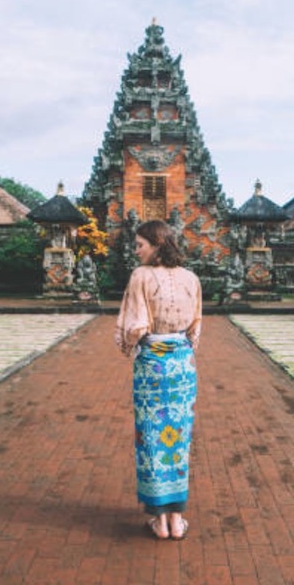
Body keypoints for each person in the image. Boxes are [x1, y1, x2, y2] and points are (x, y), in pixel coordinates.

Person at [115, 220, 202, 541]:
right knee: (178, 436)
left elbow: (134, 326)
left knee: (151, 436)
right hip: (182, 365)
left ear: (156, 244)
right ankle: (177, 519)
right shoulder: (191, 278)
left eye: (140, 245)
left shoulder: (141, 276)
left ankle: (160, 521)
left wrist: (130, 345)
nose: (136, 250)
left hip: (152, 365)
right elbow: (195, 328)